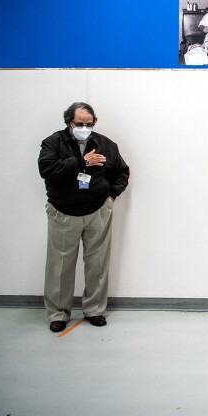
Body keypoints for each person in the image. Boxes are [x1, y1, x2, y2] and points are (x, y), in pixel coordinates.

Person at [38, 102, 130, 333]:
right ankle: (58, 313)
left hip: (97, 210)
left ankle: (95, 310)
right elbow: (47, 169)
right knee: (60, 265)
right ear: (69, 122)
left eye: (89, 124)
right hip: (63, 212)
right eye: (80, 124)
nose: (84, 127)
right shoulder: (53, 143)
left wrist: (111, 197)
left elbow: (122, 172)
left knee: (97, 263)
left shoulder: (106, 145)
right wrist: (83, 162)